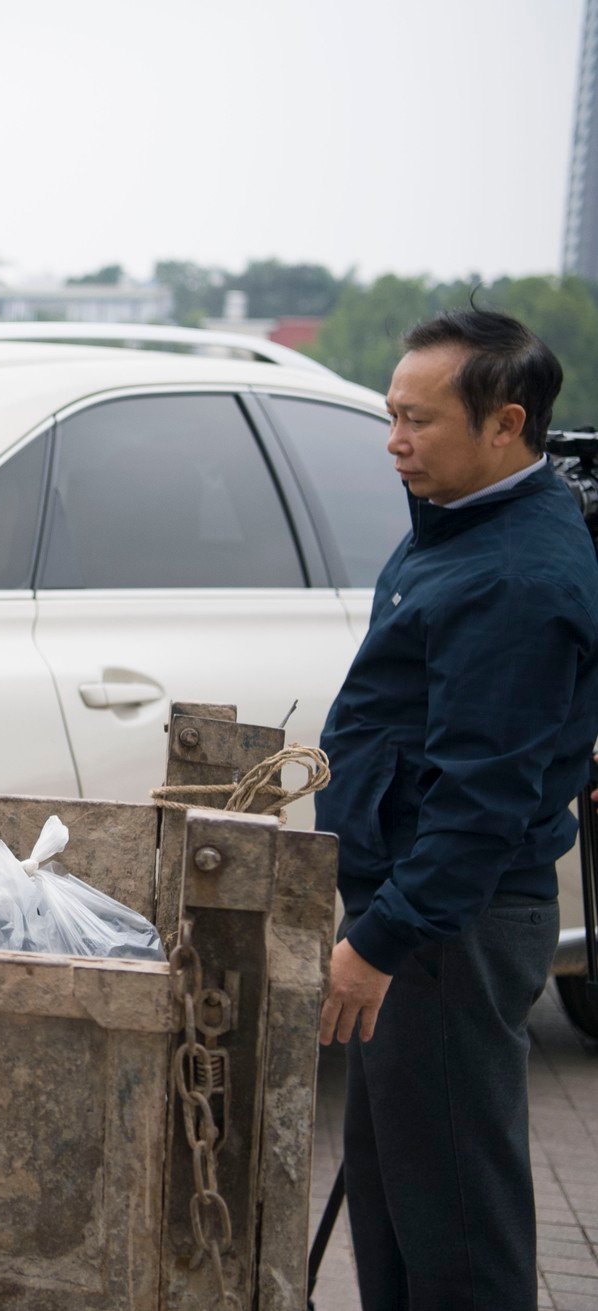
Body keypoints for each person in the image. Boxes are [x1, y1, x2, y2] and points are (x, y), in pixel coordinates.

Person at [314, 309, 598, 1310]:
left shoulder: (514, 576)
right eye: (390, 416)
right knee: (396, 1204)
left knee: (455, 1227)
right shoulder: (465, 524)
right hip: (423, 915)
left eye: (417, 421)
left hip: (449, 929)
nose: (394, 441)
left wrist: (379, 940)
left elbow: (480, 803)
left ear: (505, 425)